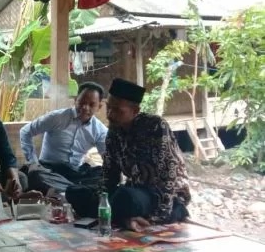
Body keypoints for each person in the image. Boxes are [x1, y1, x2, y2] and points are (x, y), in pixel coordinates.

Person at [65, 78, 191, 231]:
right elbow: (109, 173)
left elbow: (168, 176)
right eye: (109, 108)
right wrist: (101, 198)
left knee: (125, 197)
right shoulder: (114, 132)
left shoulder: (155, 127)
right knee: (74, 192)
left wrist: (157, 218)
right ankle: (123, 218)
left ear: (135, 111)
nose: (110, 114)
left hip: (164, 195)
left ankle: (175, 212)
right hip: (135, 189)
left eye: (118, 110)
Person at [19, 82, 107, 195]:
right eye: (82, 102)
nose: (85, 107)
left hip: (75, 173)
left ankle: (66, 191)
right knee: (35, 174)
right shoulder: (57, 117)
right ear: (75, 100)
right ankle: (77, 191)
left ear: (99, 106)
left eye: (91, 104)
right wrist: (32, 161)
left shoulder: (100, 130)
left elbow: (107, 157)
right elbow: (25, 131)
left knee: (104, 175)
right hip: (49, 169)